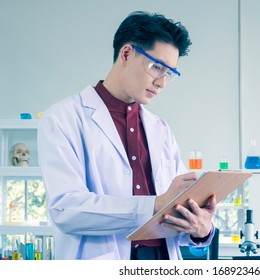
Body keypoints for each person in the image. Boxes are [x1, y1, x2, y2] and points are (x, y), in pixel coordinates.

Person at [37, 11, 216, 260]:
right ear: (127, 53)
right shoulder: (63, 118)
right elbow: (66, 209)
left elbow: (177, 208)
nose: (161, 82)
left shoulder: (160, 129)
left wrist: (201, 228)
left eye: (169, 74)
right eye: (157, 67)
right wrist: (154, 204)